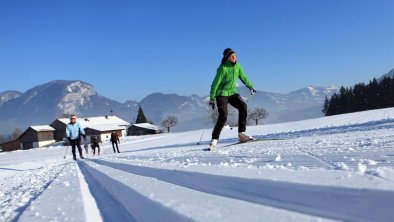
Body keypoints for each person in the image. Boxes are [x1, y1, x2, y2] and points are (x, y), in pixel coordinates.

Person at [209, 48, 256, 150]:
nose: (234, 57)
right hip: (221, 94)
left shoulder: (238, 66)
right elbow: (215, 84)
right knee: (223, 116)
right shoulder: (222, 68)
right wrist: (212, 99)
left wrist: (251, 87)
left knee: (243, 106)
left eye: (235, 55)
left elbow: (243, 77)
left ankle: (241, 134)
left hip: (232, 93)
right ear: (227, 58)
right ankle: (214, 140)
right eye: (232, 56)